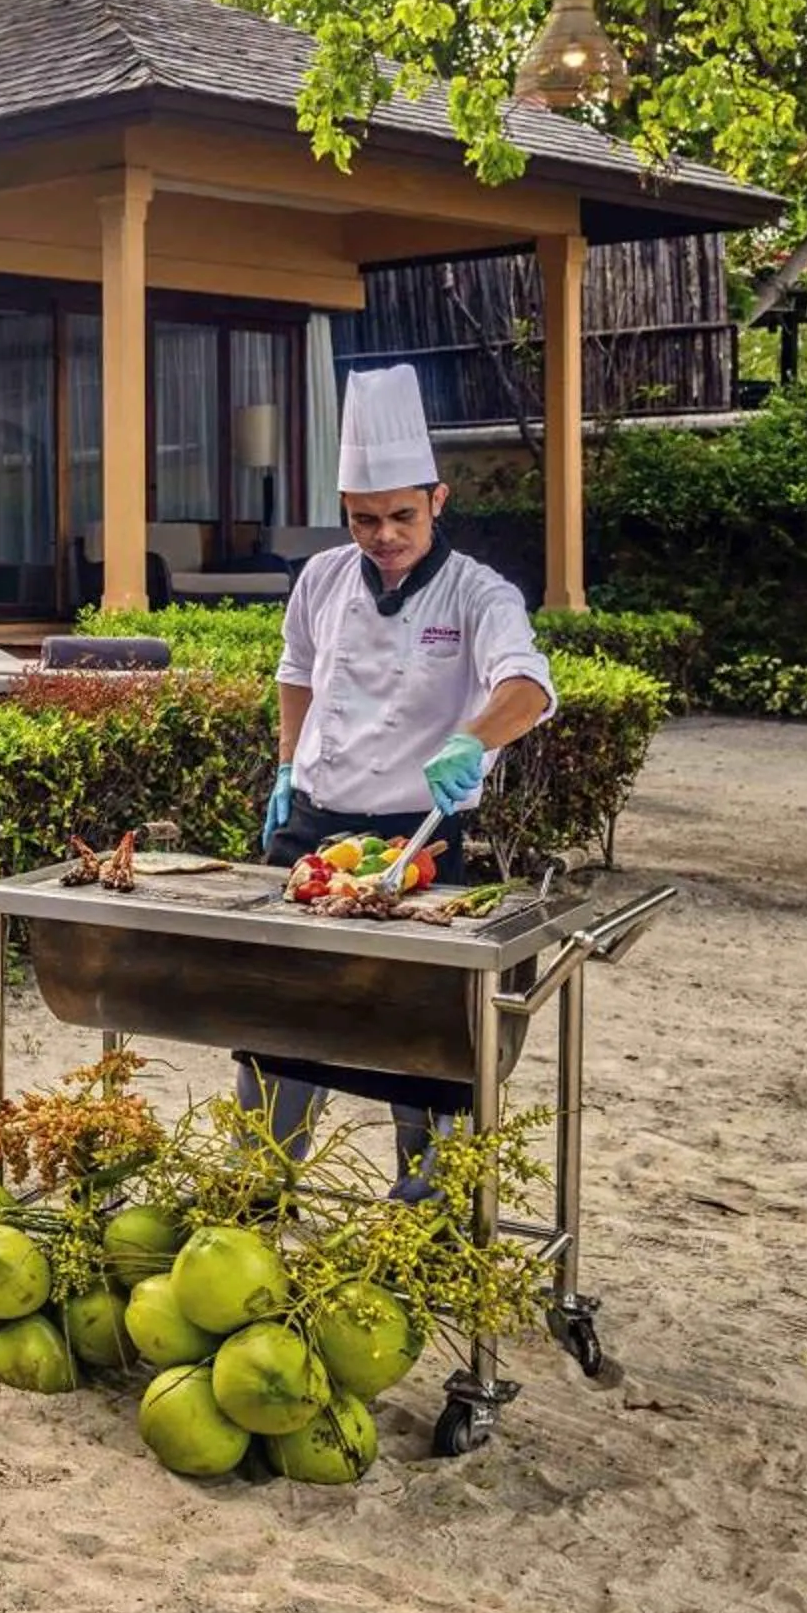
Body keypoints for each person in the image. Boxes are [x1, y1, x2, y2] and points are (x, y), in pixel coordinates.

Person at [240, 365, 557, 1191]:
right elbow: (296, 669)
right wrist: (285, 762)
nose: (383, 535)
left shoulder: (480, 593)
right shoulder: (321, 578)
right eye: (363, 519)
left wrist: (471, 742)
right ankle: (263, 1186)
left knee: (419, 1037)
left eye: (401, 516)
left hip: (413, 841)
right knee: (278, 1017)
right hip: (310, 829)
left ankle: (427, 1208)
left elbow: (527, 687)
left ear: (438, 501)